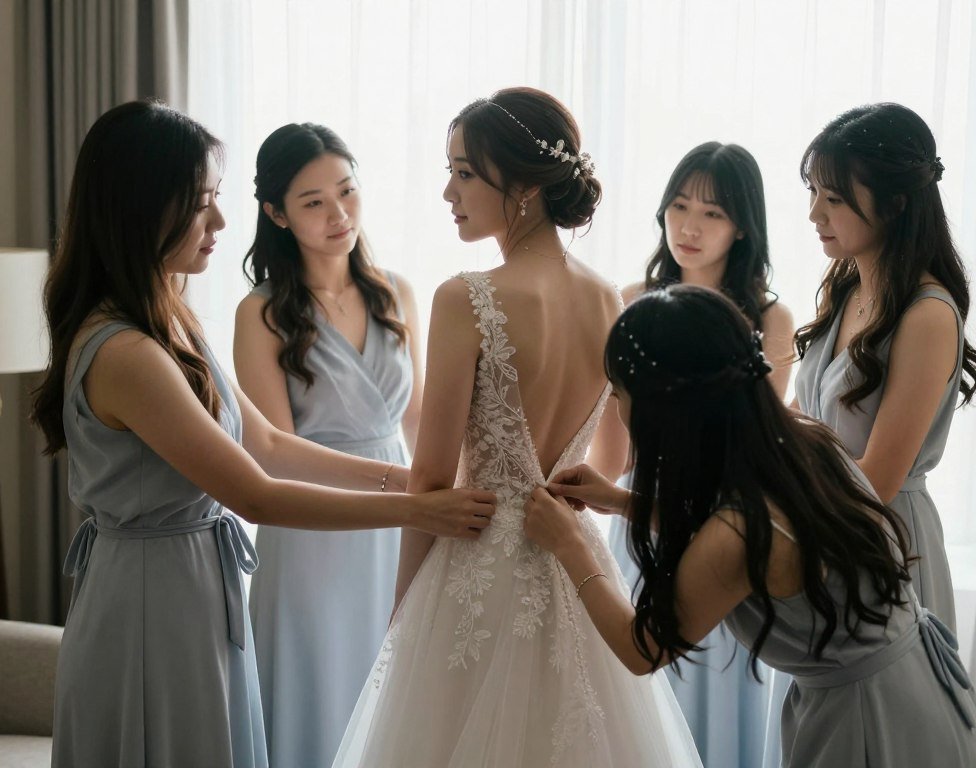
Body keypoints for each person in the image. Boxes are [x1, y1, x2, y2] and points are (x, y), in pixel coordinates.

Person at [31, 100, 495, 768]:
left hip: (196, 583)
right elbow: (258, 493)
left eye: (216, 198)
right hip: (147, 596)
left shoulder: (175, 320)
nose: (220, 221)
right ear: (141, 207)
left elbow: (269, 445)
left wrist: (411, 477)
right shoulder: (125, 352)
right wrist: (421, 508)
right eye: (200, 203)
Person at [334, 87, 702, 767]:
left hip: (475, 556)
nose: (448, 191)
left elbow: (431, 482)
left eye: (465, 173)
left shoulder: (465, 298)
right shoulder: (611, 301)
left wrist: (403, 616)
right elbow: (613, 457)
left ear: (525, 185)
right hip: (575, 552)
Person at [524, 285, 976, 768]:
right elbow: (758, 539)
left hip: (872, 725)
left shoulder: (741, 532)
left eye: (620, 394)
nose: (620, 413)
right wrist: (622, 500)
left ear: (666, 406)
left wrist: (570, 546)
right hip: (926, 696)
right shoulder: (808, 442)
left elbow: (644, 648)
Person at [234, 123, 423, 768]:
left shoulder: (399, 292)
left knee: (395, 687)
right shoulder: (261, 313)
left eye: (347, 191)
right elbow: (273, 450)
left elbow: (420, 421)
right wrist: (399, 484)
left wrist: (449, 498)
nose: (339, 214)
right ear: (275, 213)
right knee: (318, 691)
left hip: (401, 524)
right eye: (313, 201)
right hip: (312, 526)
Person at [612, 142, 793, 767]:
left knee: (717, 683)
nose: (688, 226)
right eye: (678, 206)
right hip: (641, 508)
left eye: (712, 213)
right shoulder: (632, 298)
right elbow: (616, 445)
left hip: (728, 522)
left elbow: (760, 446)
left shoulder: (769, 317)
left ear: (743, 225)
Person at [794, 102, 976, 632]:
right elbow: (793, 421)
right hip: (821, 528)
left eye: (833, 198)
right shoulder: (844, 289)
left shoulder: (927, 315)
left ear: (895, 203)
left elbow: (876, 479)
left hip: (882, 542)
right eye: (812, 193)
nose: (815, 214)